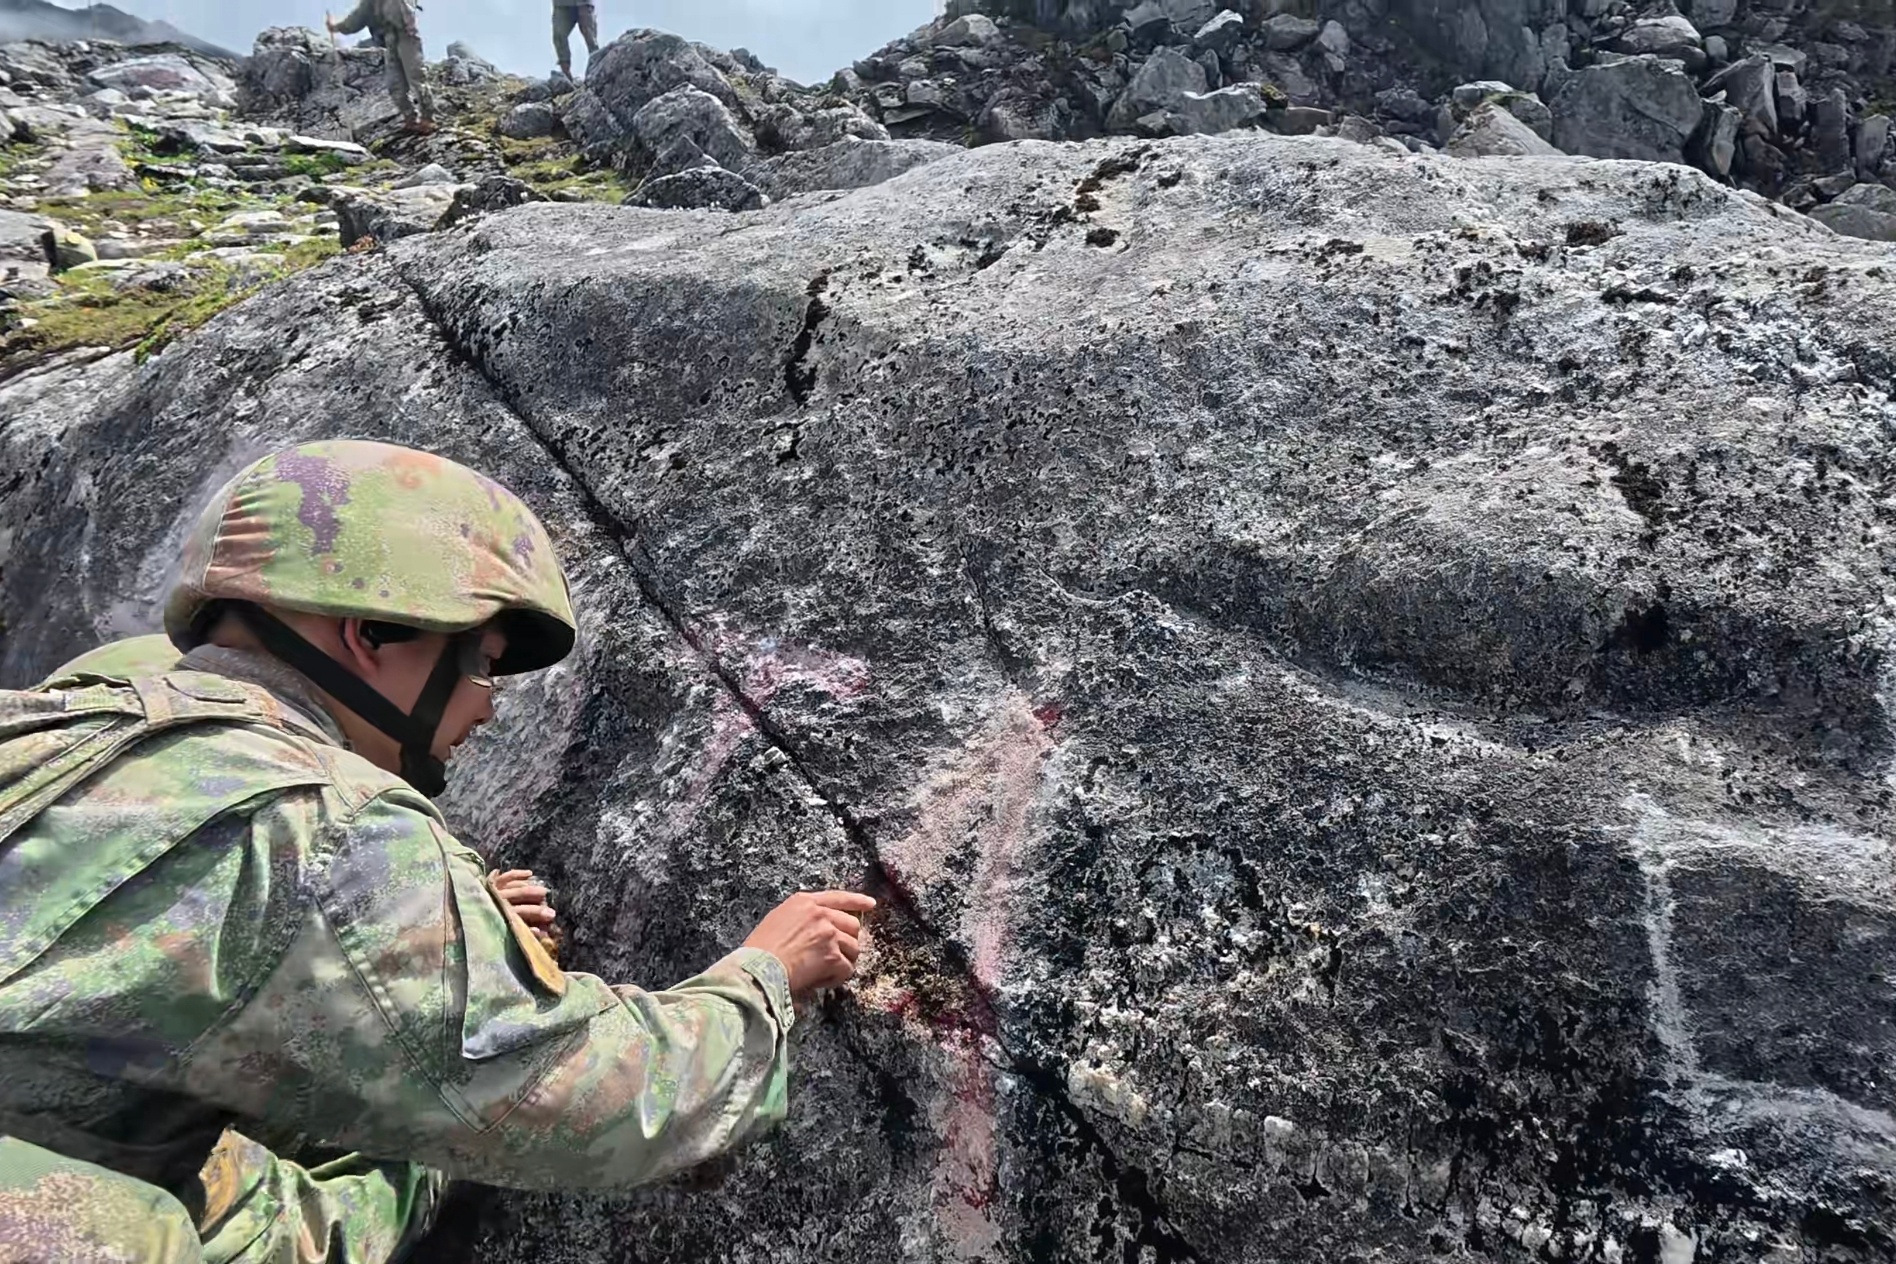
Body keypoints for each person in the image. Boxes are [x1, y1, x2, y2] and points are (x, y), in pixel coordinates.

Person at [0, 439, 874, 1263]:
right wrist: (763, 977)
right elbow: (584, 1102)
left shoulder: (48, 723)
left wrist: (439, 938)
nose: (487, 708)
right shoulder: (322, 823)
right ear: (373, 634)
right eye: (484, 663)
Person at [328, 0, 436, 135]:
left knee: (416, 76)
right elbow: (355, 20)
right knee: (394, 84)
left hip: (407, 35)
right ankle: (410, 119)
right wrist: (336, 27)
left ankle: (427, 119)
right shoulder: (369, 3)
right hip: (389, 40)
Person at [553, 0, 600, 81]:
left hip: (584, 3)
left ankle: (597, 70)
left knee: (590, 37)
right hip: (562, 4)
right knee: (559, 35)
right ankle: (566, 76)